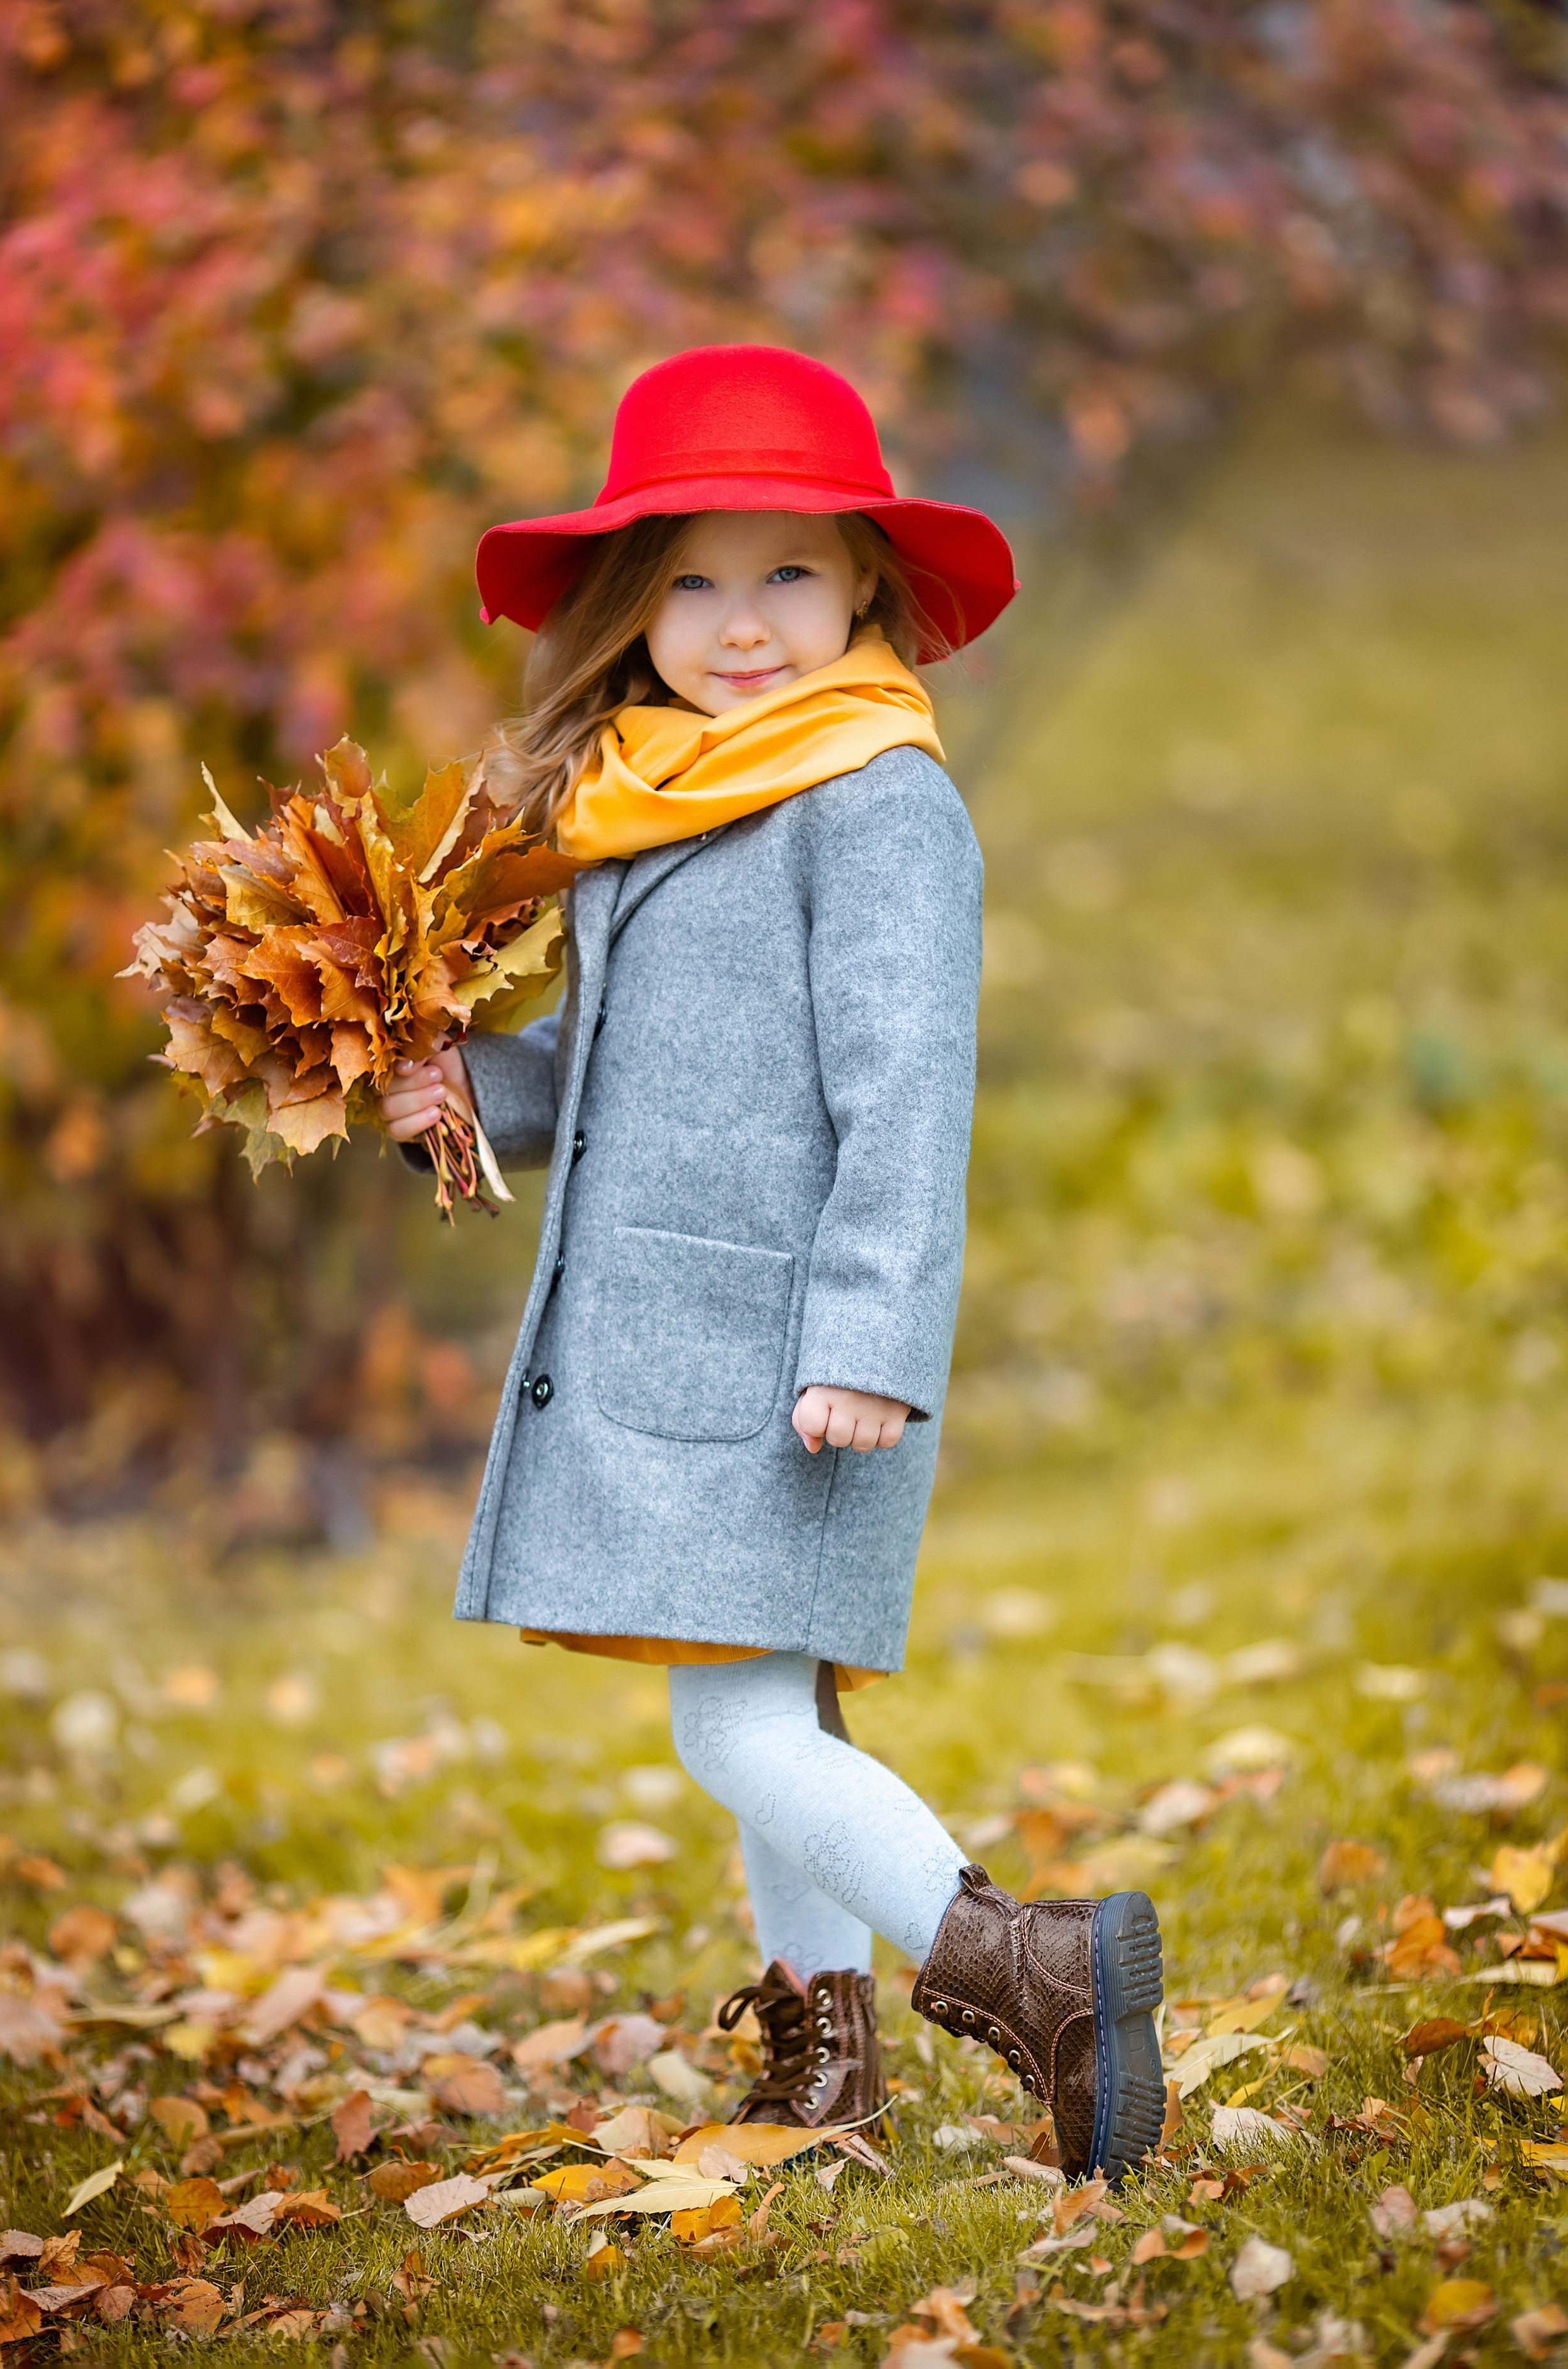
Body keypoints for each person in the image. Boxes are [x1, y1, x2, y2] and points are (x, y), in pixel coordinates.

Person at [380, 345, 1165, 2178]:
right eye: (695, 580)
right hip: (682, 1333)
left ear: (868, 586)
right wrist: (458, 1090)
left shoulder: (872, 798)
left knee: (733, 1719)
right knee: (768, 1698)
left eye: (789, 574)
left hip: (793, 1345)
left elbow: (909, 1094)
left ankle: (1029, 1971)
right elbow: (609, 1064)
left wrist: (873, 1334)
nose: (743, 625)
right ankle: (826, 2063)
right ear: (628, 604)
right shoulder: (646, 795)